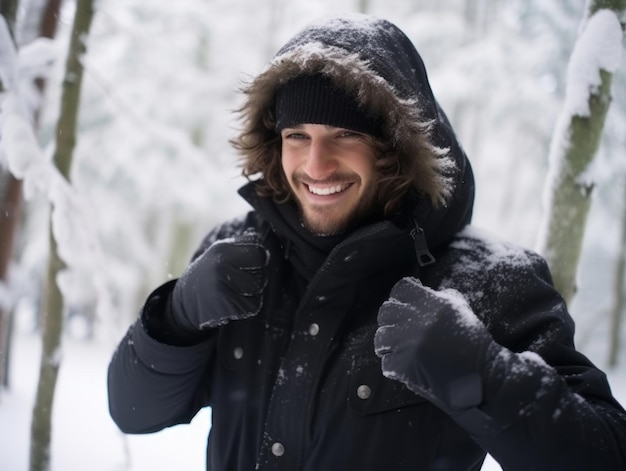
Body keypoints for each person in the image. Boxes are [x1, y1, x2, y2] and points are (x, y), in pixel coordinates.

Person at [107, 13, 626, 471]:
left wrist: (481, 374)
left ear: (394, 149)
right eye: (297, 136)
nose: (315, 165)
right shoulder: (237, 252)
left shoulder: (485, 280)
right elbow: (132, 411)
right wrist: (175, 318)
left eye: (345, 135)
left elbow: (606, 451)